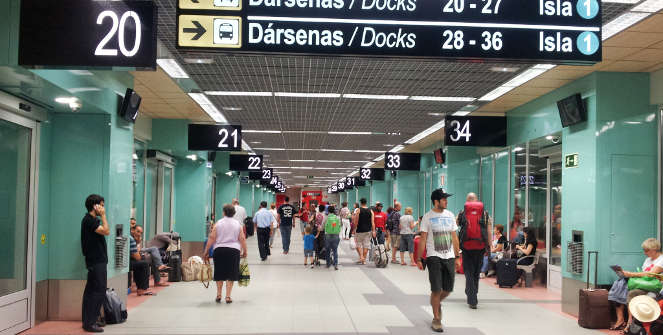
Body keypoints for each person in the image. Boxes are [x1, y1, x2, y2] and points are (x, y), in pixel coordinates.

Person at [416, 189, 461, 333]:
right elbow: (423, 238)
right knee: (436, 289)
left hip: (449, 257)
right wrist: (418, 258)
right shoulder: (427, 217)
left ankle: (436, 302)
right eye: (444, 199)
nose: (446, 201)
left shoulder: (450, 215)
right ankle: (437, 319)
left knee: (448, 289)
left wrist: (457, 256)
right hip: (433, 256)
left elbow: (454, 237)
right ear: (436, 201)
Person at [612, 238, 663, 332]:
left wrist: (631, 274)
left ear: (654, 249)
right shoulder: (648, 259)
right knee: (619, 285)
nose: (644, 252)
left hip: (654, 286)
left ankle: (630, 324)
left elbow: (650, 274)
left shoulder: (661, 260)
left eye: (646, 250)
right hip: (644, 284)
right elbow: (643, 274)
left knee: (632, 293)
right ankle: (621, 319)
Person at [204, 204, 248, 304]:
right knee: (231, 273)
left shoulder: (218, 223)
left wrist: (206, 251)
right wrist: (245, 251)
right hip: (234, 251)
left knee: (219, 272)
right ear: (234, 213)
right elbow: (242, 238)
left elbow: (212, 238)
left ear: (224, 212)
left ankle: (219, 294)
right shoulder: (237, 224)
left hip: (219, 250)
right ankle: (228, 296)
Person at [80, 194, 110, 333]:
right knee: (99, 290)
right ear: (95, 206)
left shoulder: (91, 220)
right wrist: (103, 216)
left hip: (96, 260)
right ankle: (90, 322)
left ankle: (89, 320)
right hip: (96, 261)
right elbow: (106, 231)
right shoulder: (89, 220)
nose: (103, 208)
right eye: (102, 205)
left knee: (91, 291)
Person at [456, 192, 491, 309]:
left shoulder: (462, 212)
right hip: (480, 246)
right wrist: (489, 246)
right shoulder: (485, 213)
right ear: (477, 200)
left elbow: (456, 227)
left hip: (466, 246)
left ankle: (472, 298)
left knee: (468, 271)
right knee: (476, 271)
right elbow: (489, 230)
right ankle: (473, 293)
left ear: (467, 201)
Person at [129, 227, 155, 296]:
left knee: (141, 263)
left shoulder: (132, 239)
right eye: (138, 231)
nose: (139, 234)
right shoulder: (131, 239)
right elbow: (137, 257)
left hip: (128, 262)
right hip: (125, 264)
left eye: (141, 233)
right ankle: (143, 288)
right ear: (132, 230)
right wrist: (137, 243)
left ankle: (141, 288)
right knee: (144, 264)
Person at [352, 198, 375, 265]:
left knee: (358, 244)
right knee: (366, 245)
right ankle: (363, 260)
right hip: (368, 231)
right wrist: (373, 231)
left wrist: (354, 229)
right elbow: (372, 222)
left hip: (359, 230)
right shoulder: (371, 211)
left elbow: (356, 221)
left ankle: (361, 257)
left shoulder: (358, 210)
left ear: (361, 203)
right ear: (366, 202)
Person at [324, 206, 342, 270]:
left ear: (328, 211)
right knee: (335, 250)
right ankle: (336, 264)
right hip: (336, 235)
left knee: (328, 250)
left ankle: (328, 264)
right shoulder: (337, 217)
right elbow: (340, 225)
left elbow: (323, 226)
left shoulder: (326, 217)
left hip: (328, 235)